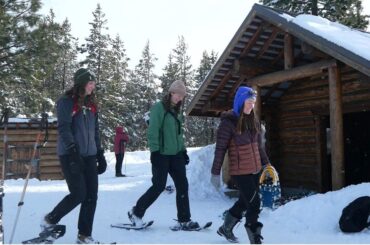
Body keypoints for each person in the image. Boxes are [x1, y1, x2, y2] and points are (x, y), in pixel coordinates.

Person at [41, 68, 107, 244]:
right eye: (90, 83)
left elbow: (95, 131)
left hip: (90, 155)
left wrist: (99, 153)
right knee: (79, 194)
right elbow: (64, 127)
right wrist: (72, 150)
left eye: (94, 83)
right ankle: (50, 220)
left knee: (92, 195)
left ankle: (84, 235)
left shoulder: (92, 105)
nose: (93, 86)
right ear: (82, 84)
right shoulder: (66, 102)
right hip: (70, 154)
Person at [128, 80, 199, 230]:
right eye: (178, 94)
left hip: (176, 154)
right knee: (159, 186)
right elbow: (152, 131)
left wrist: (183, 150)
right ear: (171, 93)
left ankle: (184, 219)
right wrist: (155, 151)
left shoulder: (176, 111)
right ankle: (136, 212)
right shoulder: (159, 108)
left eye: (182, 96)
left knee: (182, 185)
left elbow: (179, 135)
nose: (180, 98)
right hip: (161, 154)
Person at [210, 86, 271, 244]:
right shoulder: (228, 123)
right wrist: (215, 173)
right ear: (240, 102)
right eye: (249, 102)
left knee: (245, 201)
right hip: (240, 171)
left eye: (253, 102)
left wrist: (267, 165)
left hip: (255, 169)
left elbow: (258, 147)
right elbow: (220, 150)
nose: (252, 105)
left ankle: (226, 228)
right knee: (254, 203)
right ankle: (254, 237)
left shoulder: (253, 121)